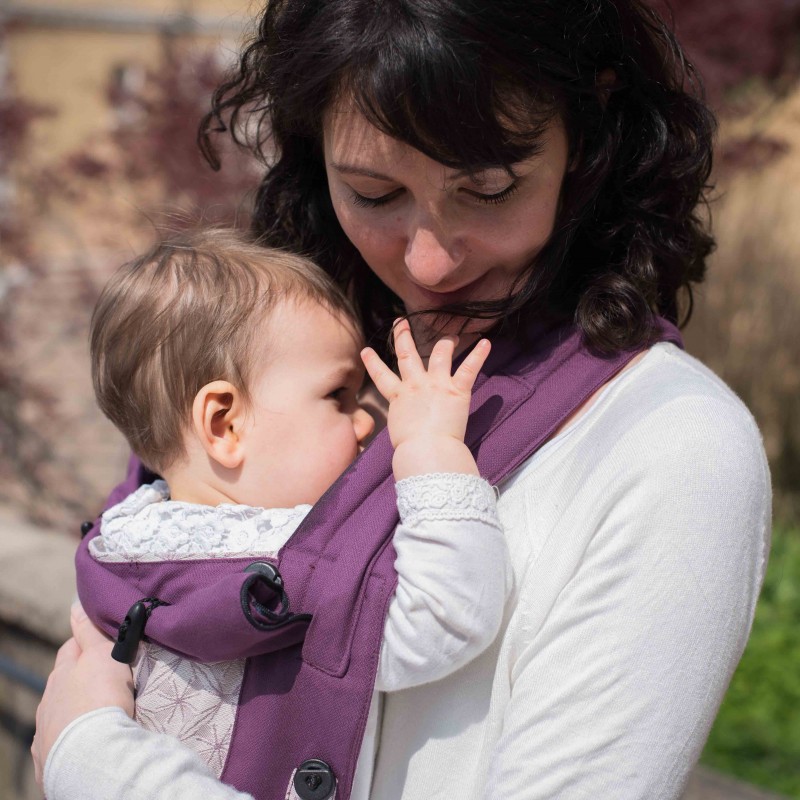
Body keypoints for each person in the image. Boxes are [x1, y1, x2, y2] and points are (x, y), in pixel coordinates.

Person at [33, 1, 772, 798]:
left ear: (588, 136)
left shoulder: (671, 447)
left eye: (489, 189)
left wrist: (95, 763)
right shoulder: (284, 363)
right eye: (374, 193)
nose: (429, 262)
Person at [75, 228, 507, 796]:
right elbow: (442, 620)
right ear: (225, 424)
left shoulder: (121, 550)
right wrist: (434, 452)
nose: (366, 423)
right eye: (338, 396)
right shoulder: (277, 578)